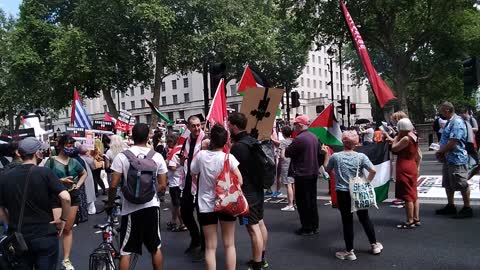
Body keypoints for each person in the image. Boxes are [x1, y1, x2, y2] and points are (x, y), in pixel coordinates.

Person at [0, 137, 71, 270]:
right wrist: (63, 219)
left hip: (19, 236)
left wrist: (9, 223)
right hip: (44, 234)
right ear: (37, 153)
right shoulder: (44, 173)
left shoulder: (6, 176)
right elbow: (66, 198)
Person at [108, 123, 168, 270]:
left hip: (130, 208)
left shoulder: (122, 157)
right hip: (151, 206)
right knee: (155, 248)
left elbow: (113, 185)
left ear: (132, 136)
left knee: (126, 251)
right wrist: (153, 193)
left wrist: (110, 203)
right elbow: (163, 185)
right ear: (148, 136)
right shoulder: (157, 157)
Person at [324, 130, 383, 261]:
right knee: (364, 218)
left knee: (347, 221)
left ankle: (350, 251)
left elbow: (326, 171)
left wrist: (326, 155)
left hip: (342, 192)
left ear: (343, 142)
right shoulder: (361, 156)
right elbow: (373, 170)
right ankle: (374, 245)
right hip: (358, 191)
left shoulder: (336, 157)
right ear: (356, 142)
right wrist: (366, 182)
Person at [190, 124, 242, 270]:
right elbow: (240, 180)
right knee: (229, 243)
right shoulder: (228, 158)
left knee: (210, 247)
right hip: (226, 202)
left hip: (206, 204)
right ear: (226, 141)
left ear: (211, 139)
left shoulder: (201, 155)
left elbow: (192, 171)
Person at [229, 112, 269, 270]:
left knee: (252, 228)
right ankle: (261, 257)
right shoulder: (252, 141)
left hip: (247, 192)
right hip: (258, 188)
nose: (228, 127)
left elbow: (234, 172)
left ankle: (257, 264)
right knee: (260, 223)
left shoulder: (238, 147)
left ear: (235, 126)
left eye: (229, 125)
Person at [43, 135, 87, 270]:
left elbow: (84, 173)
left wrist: (77, 185)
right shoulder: (50, 161)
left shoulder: (74, 162)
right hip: (56, 197)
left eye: (72, 145)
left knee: (68, 228)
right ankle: (50, 257)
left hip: (73, 197)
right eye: (68, 144)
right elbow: (45, 178)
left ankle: (66, 259)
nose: (71, 147)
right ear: (61, 145)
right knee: (58, 228)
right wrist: (60, 181)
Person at [435, 102, 473, 218]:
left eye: (441, 110)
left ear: (447, 110)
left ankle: (467, 208)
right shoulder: (450, 121)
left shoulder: (457, 122)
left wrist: (441, 151)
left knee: (461, 184)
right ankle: (451, 205)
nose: (440, 113)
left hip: (457, 159)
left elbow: (453, 142)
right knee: (448, 183)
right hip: (448, 158)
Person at [285, 115, 320, 236]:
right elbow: (320, 154)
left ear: (300, 125)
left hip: (302, 173)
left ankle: (306, 227)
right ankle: (314, 225)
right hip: (313, 172)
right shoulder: (314, 137)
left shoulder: (299, 139)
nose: (293, 127)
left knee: (302, 202)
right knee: (312, 200)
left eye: (295, 125)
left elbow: (288, 152)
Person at [180, 115, 207, 260]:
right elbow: (184, 158)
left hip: (203, 182)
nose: (197, 128)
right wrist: (182, 160)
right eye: (194, 126)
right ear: (188, 127)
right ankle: (195, 238)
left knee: (202, 216)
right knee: (185, 212)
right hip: (189, 181)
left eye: (199, 125)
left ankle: (204, 247)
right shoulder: (187, 141)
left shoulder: (206, 140)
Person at [391, 118, 421, 228]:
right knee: (414, 194)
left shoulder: (405, 138)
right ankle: (416, 218)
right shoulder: (414, 135)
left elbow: (394, 149)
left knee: (408, 195)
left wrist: (395, 138)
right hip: (412, 164)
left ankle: (409, 221)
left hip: (404, 165)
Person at [165, 133, 187, 232]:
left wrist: (166, 164)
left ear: (171, 141)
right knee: (175, 204)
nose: (167, 144)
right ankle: (174, 221)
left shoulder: (174, 152)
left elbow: (173, 167)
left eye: (168, 141)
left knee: (177, 204)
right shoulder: (183, 148)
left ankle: (182, 224)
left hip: (175, 182)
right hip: (183, 180)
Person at [278, 126, 295, 211]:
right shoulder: (294, 140)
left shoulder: (283, 142)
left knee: (288, 185)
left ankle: (290, 204)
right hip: (294, 163)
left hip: (286, 164)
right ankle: (294, 203)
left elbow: (282, 156)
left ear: (283, 134)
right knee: (293, 183)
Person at [78, 144, 97, 215]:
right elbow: (94, 167)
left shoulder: (78, 158)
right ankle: (91, 209)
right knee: (90, 192)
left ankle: (85, 209)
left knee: (85, 192)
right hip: (88, 176)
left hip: (81, 177)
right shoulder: (89, 158)